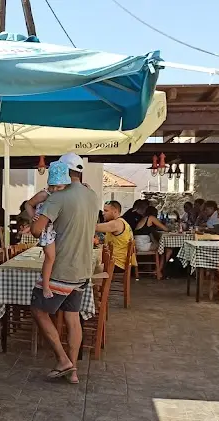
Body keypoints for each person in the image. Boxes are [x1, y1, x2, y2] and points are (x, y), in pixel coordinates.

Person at [28, 153, 97, 384]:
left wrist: (33, 213)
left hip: (62, 268)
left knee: (38, 309)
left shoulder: (57, 198)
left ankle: (63, 359)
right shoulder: (92, 195)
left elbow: (37, 231)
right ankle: (73, 370)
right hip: (84, 268)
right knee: (72, 317)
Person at [28, 162, 71, 298]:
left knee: (56, 257)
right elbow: (28, 204)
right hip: (46, 229)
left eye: (59, 186)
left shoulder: (65, 195)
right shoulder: (44, 194)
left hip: (57, 227)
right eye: (53, 186)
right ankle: (45, 286)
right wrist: (33, 216)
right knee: (50, 257)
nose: (55, 189)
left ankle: (52, 281)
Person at [96, 201, 137, 271]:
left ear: (115, 211)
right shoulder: (122, 222)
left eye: (106, 211)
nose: (103, 213)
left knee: (87, 264)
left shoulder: (116, 223)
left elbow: (94, 227)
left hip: (116, 264)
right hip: (119, 263)